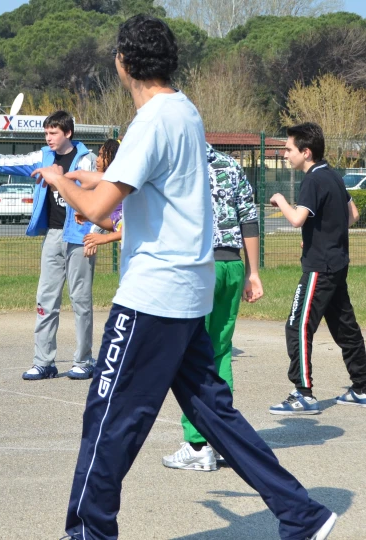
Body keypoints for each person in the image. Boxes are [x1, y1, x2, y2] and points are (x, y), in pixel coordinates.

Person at [31, 15, 336, 540]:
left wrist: (61, 180)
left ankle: (87, 532)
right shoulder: (185, 110)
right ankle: (302, 513)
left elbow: (103, 213)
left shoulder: (149, 122)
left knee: (107, 420)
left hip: (153, 295)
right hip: (187, 290)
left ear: (124, 64)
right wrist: (99, 175)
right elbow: (158, 181)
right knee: (215, 415)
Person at [0, 111, 99, 381]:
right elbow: (5, 162)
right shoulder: (41, 157)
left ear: (68, 133)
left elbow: (99, 197)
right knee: (46, 301)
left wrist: (94, 233)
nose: (48, 138)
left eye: (53, 133)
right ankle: (44, 362)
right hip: (53, 235)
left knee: (81, 301)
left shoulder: (86, 160)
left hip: (80, 236)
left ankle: (84, 360)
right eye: (46, 133)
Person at [161, 143, 264, 471]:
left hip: (196, 265)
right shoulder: (231, 165)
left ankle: (196, 444)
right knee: (219, 351)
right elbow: (249, 217)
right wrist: (253, 272)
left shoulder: (176, 164)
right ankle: (221, 440)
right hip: (231, 265)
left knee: (189, 356)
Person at [269, 122, 366, 414]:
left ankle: (303, 393)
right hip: (336, 263)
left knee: (297, 325)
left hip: (320, 268)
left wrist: (281, 200)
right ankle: (362, 386)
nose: (285, 155)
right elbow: (353, 214)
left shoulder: (312, 179)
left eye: (288, 150)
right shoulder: (333, 175)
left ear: (306, 152)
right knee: (344, 326)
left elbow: (297, 219)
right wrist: (322, 237)